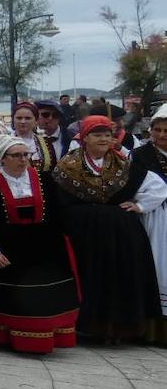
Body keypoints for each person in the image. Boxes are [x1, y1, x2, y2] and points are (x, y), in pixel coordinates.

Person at [51, 115, 167, 344]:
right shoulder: (68, 166)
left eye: (107, 134)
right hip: (84, 237)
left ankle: (118, 329)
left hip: (120, 238)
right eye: (97, 134)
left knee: (119, 279)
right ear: (85, 138)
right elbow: (57, 201)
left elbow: (157, 187)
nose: (104, 139)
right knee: (90, 279)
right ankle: (88, 327)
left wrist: (140, 205)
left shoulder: (123, 163)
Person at [0, 136, 81, 353]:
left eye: (26, 155)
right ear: (3, 159)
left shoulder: (44, 179)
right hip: (9, 248)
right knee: (12, 297)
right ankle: (9, 338)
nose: (23, 160)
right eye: (17, 156)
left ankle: (46, 337)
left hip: (45, 248)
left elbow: (58, 214)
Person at [133, 104, 167, 334]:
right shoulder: (138, 156)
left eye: (166, 131)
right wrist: (142, 204)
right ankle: (152, 327)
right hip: (156, 218)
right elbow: (132, 186)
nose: (161, 135)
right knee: (157, 266)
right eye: (157, 130)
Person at [11, 101, 55, 174]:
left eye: (28, 118)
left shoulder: (46, 142)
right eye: (19, 118)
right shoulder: (5, 142)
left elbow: (52, 168)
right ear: (13, 120)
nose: (23, 121)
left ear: (36, 121)